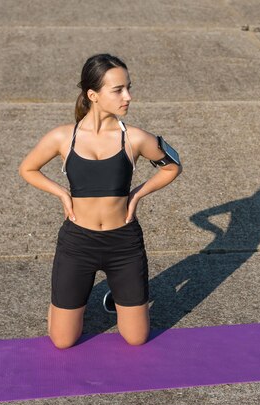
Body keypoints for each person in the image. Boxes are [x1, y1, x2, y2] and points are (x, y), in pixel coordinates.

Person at [18, 54, 182, 349]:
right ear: (93, 95)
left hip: (124, 244)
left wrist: (138, 194)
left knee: (136, 339)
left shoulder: (134, 138)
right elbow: (27, 169)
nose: (128, 97)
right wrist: (61, 193)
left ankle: (115, 297)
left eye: (128, 87)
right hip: (78, 243)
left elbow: (172, 166)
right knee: (62, 341)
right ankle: (66, 300)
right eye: (118, 90)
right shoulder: (62, 137)